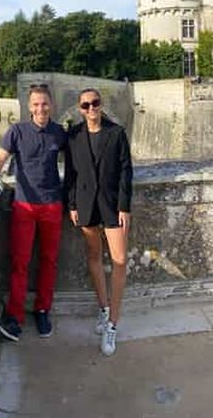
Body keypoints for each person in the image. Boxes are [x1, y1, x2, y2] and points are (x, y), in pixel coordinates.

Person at [0, 84, 67, 341]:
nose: (40, 109)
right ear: (29, 106)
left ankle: (42, 309)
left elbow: (79, 162)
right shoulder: (17, 131)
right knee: (20, 263)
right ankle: (15, 317)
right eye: (36, 104)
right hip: (24, 205)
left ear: (51, 105)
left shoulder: (59, 133)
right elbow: (0, 160)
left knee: (48, 260)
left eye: (44, 104)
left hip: (52, 204)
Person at [64, 88, 132, 356]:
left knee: (119, 261)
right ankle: (104, 310)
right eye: (86, 105)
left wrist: (124, 207)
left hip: (112, 205)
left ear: (101, 105)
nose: (91, 108)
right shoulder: (74, 136)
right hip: (85, 203)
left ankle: (112, 325)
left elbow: (126, 171)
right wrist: (71, 203)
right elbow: (69, 173)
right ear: (80, 109)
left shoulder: (116, 133)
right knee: (93, 255)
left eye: (95, 103)